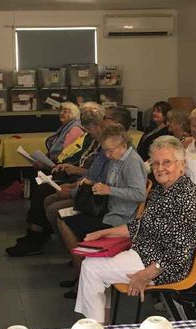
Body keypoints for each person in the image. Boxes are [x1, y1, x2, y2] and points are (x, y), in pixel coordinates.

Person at [74, 136, 196, 323]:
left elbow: (179, 255)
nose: (160, 168)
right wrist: (103, 233)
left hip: (163, 267)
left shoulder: (188, 200)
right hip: (144, 254)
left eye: (167, 162)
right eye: (155, 163)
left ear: (182, 164)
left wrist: (144, 275)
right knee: (92, 260)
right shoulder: (163, 191)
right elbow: (141, 225)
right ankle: (97, 326)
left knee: (91, 268)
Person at [58, 122, 147, 298]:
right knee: (65, 219)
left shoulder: (132, 162)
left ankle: (81, 272)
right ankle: (82, 270)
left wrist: (109, 190)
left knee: (66, 224)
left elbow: (140, 194)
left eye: (110, 150)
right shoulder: (116, 158)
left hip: (119, 218)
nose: (107, 154)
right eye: (105, 150)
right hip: (107, 210)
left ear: (123, 145)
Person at [5, 103, 107, 257]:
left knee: (43, 190)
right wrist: (68, 166)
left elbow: (96, 175)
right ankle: (38, 233)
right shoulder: (91, 137)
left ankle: (38, 236)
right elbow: (77, 157)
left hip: (85, 186)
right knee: (40, 184)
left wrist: (73, 177)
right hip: (76, 177)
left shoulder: (99, 141)